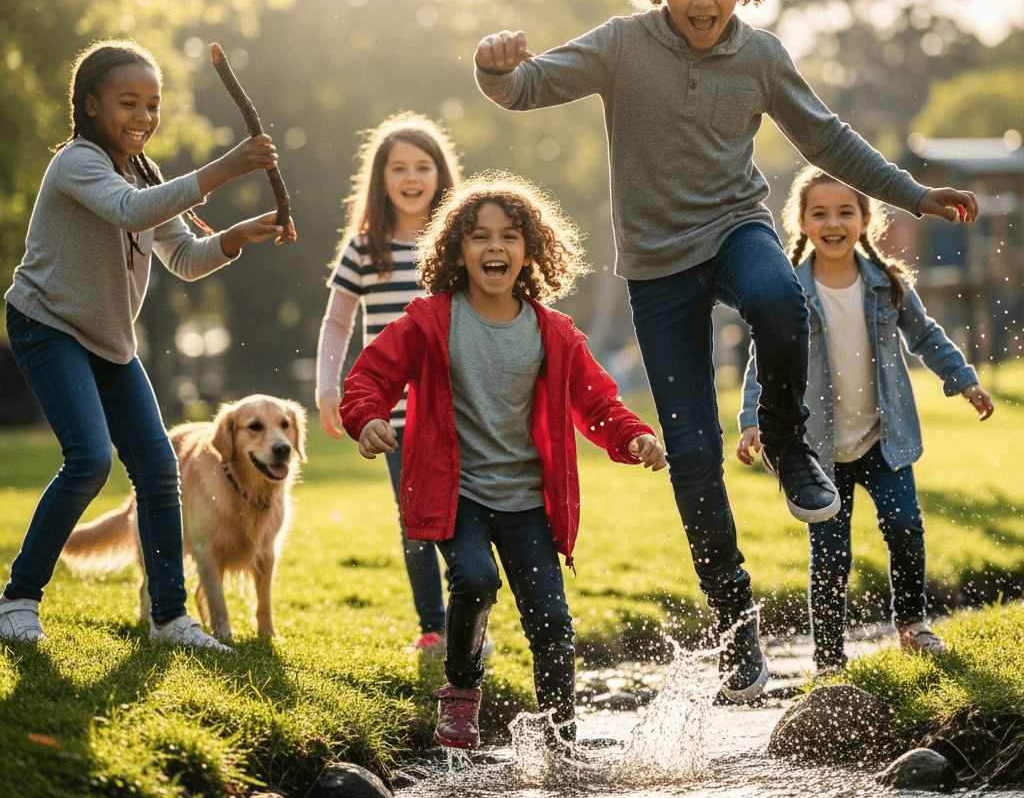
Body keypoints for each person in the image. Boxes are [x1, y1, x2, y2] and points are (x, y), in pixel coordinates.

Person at [472, 0, 980, 702]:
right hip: (656, 266)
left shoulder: (762, 57)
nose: (703, 2)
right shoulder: (621, 45)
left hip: (736, 228)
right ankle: (736, 628)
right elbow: (526, 87)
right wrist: (492, 68)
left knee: (782, 299)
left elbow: (828, 136)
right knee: (695, 459)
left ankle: (786, 440)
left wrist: (912, 196)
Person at [340, 173, 667, 750]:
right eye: (479, 236)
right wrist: (366, 417)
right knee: (475, 578)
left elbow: (596, 401)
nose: (495, 248)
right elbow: (370, 375)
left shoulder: (554, 332)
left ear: (530, 250)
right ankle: (461, 695)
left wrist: (633, 435)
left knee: (553, 625)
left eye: (510, 236)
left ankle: (563, 743)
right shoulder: (430, 320)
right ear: (456, 251)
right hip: (456, 492)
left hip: (527, 502)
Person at [1, 39, 295, 652]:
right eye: (128, 102)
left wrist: (238, 234)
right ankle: (18, 601)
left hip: (109, 339)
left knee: (160, 468)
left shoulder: (146, 174)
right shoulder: (78, 163)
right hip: (47, 324)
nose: (144, 117)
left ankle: (168, 617)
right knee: (89, 459)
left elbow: (184, 258)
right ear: (89, 106)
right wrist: (226, 168)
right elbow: (131, 214)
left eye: (153, 104)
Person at [736, 167, 994, 674]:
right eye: (820, 213)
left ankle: (913, 626)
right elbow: (763, 361)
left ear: (865, 220)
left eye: (845, 211)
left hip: (884, 439)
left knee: (905, 526)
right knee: (830, 556)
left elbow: (927, 337)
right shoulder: (789, 291)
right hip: (818, 451)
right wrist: (752, 420)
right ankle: (830, 658)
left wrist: (964, 380)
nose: (833, 222)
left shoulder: (888, 285)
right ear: (803, 223)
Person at [316, 112, 463, 655]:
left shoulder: (459, 245)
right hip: (391, 417)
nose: (411, 177)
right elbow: (337, 322)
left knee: (461, 515)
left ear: (440, 174)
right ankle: (434, 626)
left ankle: (473, 619)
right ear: (381, 179)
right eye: (398, 167)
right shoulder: (364, 249)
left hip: (456, 410)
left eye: (422, 166)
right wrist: (330, 388)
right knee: (415, 521)